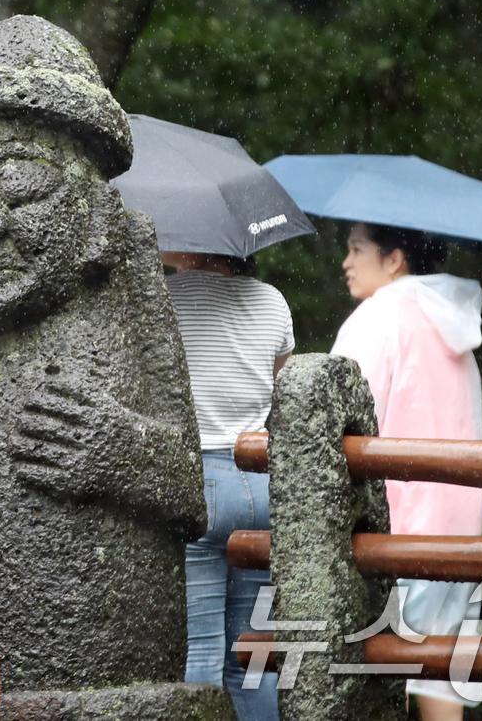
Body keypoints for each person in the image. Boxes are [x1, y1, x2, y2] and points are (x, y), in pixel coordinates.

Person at [330, 222, 482, 721]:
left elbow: (334, 411)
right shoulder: (454, 325)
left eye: (357, 249)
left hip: (395, 526)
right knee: (440, 676)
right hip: (458, 528)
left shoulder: (380, 317)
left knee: (376, 673)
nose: (345, 262)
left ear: (394, 259)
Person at [165, 251, 292, 721]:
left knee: (197, 654)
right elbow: (278, 386)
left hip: (197, 484)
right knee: (253, 659)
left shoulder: (163, 296)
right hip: (259, 484)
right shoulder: (273, 301)